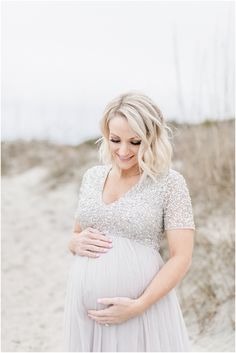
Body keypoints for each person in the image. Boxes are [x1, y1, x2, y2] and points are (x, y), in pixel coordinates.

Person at [63, 91, 195, 352]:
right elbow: (76, 235)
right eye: (115, 140)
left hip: (142, 311)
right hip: (86, 315)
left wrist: (138, 305)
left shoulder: (170, 183)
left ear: (152, 138)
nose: (123, 151)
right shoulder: (92, 177)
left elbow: (182, 257)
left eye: (135, 142)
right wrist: (74, 243)